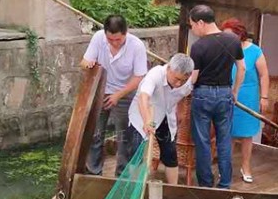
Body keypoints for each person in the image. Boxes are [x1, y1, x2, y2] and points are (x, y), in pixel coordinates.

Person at [81, 14, 147, 177]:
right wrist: (88, 64)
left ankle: (121, 174)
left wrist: (118, 95)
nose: (114, 43)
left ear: (126, 33)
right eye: (110, 40)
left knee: (124, 137)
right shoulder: (98, 38)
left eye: (118, 40)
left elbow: (139, 76)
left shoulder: (136, 46)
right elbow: (84, 61)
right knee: (95, 133)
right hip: (101, 91)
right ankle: (93, 172)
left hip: (126, 92)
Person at [188, 4, 245, 189]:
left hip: (202, 94)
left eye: (193, 25)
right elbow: (242, 68)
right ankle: (225, 184)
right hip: (224, 94)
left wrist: (183, 88)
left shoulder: (197, 46)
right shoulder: (233, 40)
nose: (193, 30)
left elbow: (193, 77)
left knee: (203, 141)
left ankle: (205, 184)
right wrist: (235, 91)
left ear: (201, 23)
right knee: (224, 140)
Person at [127, 54, 194, 184]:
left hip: (165, 117)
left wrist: (179, 112)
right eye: (176, 79)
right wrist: (147, 121)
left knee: (170, 154)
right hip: (142, 115)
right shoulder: (155, 75)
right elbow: (143, 98)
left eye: (183, 80)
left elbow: (184, 95)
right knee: (136, 153)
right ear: (169, 68)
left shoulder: (186, 82)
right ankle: (134, 189)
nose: (179, 83)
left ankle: (173, 188)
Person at [221, 18, 270, 183]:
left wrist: (264, 97)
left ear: (239, 34)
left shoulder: (255, 51)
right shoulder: (223, 50)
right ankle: (225, 168)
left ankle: (246, 166)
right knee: (228, 133)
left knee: (247, 134)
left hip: (248, 96)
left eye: (229, 35)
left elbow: (264, 75)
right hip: (228, 94)